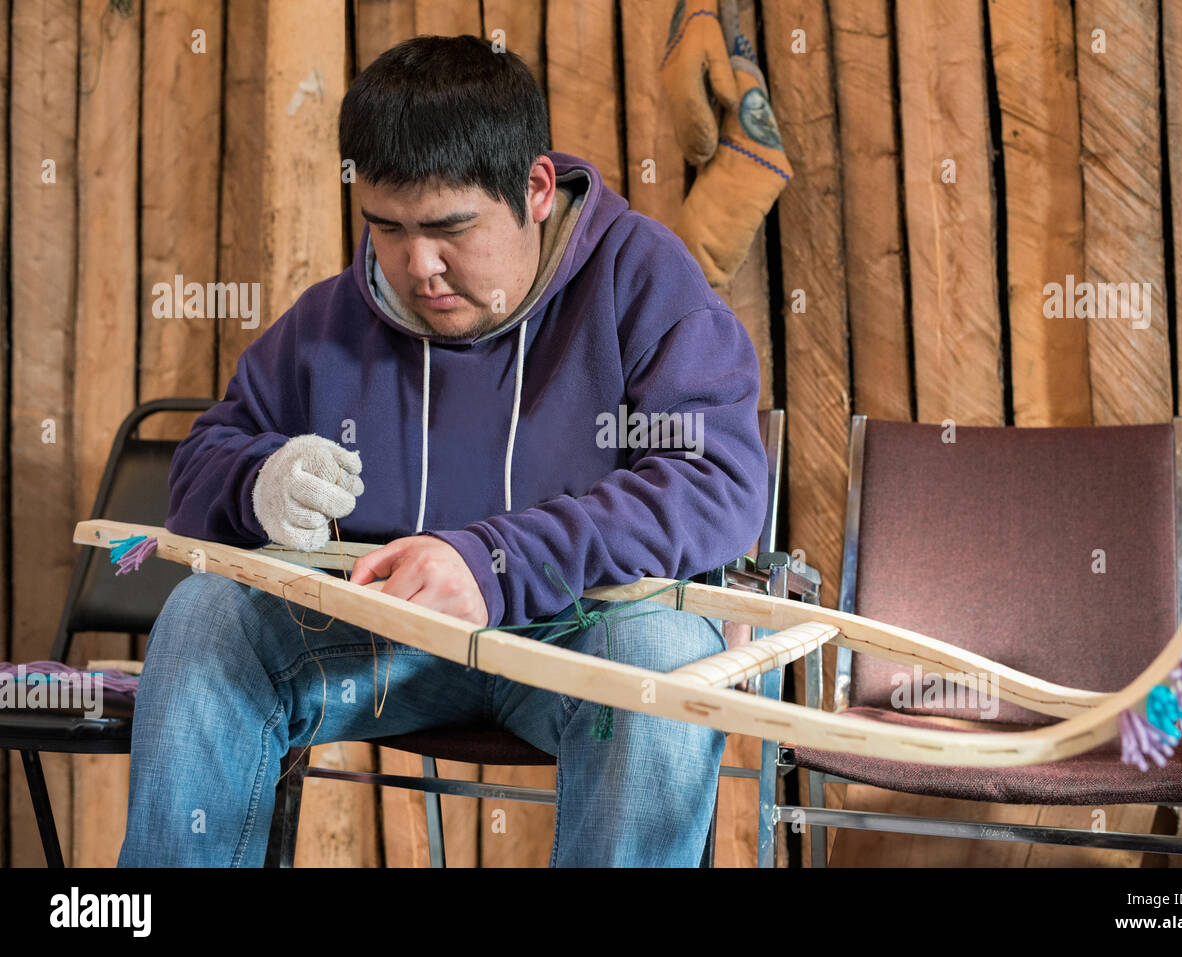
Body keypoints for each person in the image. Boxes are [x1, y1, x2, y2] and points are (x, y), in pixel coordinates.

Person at [117, 34, 768, 868]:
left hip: (578, 640)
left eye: (449, 228)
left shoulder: (642, 281)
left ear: (535, 188)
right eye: (386, 227)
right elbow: (204, 458)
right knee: (208, 617)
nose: (418, 266)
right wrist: (256, 483)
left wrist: (494, 564)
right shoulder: (334, 320)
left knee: (664, 656)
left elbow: (715, 481)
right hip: (389, 648)